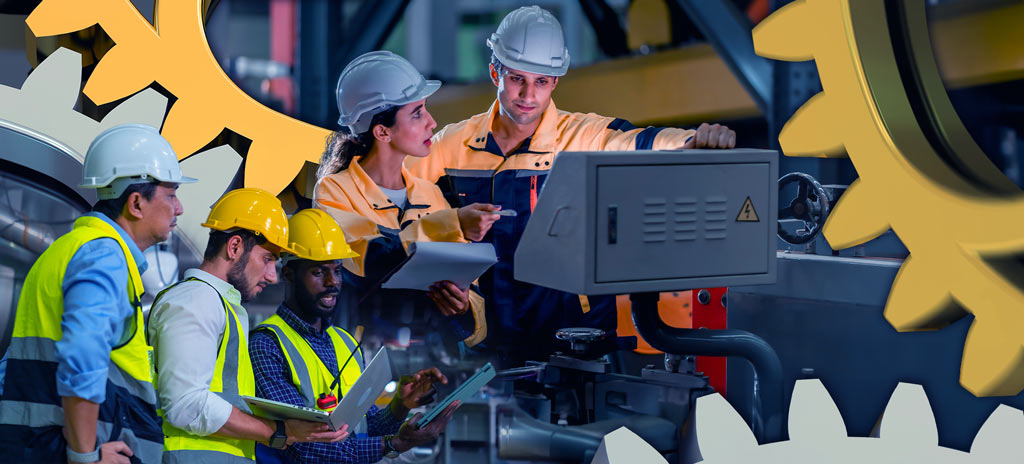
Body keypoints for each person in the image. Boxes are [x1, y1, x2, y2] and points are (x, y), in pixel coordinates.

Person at [405, 5, 738, 365]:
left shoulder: (581, 137)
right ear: (494, 72)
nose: (528, 95)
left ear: (555, 82)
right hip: (485, 340)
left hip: (577, 341)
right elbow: (399, 205)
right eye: (517, 78)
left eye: (541, 82)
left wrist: (694, 141)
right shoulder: (449, 146)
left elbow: (641, 141)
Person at [0, 124, 194, 463]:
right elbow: (84, 355)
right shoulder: (104, 256)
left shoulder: (71, 249)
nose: (178, 208)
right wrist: (84, 456)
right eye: (171, 194)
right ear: (136, 203)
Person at [314, 50, 498, 349]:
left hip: (431, 366)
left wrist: (463, 307)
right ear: (382, 131)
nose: (432, 122)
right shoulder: (334, 193)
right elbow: (372, 258)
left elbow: (473, 302)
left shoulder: (429, 194)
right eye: (417, 113)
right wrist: (453, 222)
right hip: (360, 365)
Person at [147, 189, 348, 463]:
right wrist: (278, 430)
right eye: (267, 259)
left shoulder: (222, 306)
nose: (272, 276)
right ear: (235, 247)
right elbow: (186, 405)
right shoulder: (196, 300)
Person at [250, 208, 460, 463]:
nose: (333, 282)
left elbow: (364, 428)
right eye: (319, 272)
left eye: (337, 270)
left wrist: (400, 405)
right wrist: (395, 444)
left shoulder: (345, 342)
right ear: (289, 274)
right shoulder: (266, 344)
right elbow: (305, 447)